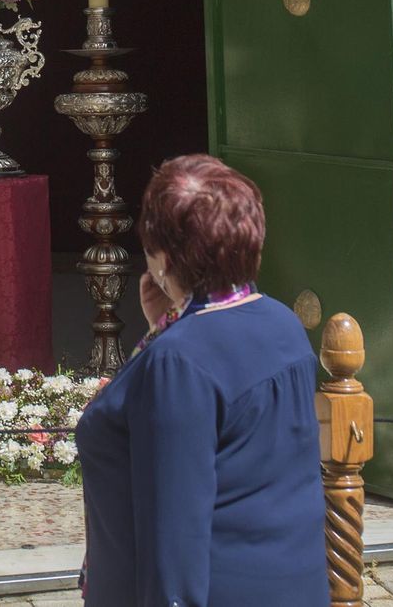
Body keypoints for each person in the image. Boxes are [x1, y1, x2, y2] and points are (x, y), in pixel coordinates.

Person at [75, 154, 327, 605]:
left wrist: (171, 336)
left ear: (165, 260)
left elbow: (173, 534)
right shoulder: (282, 325)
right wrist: (166, 324)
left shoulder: (178, 361)